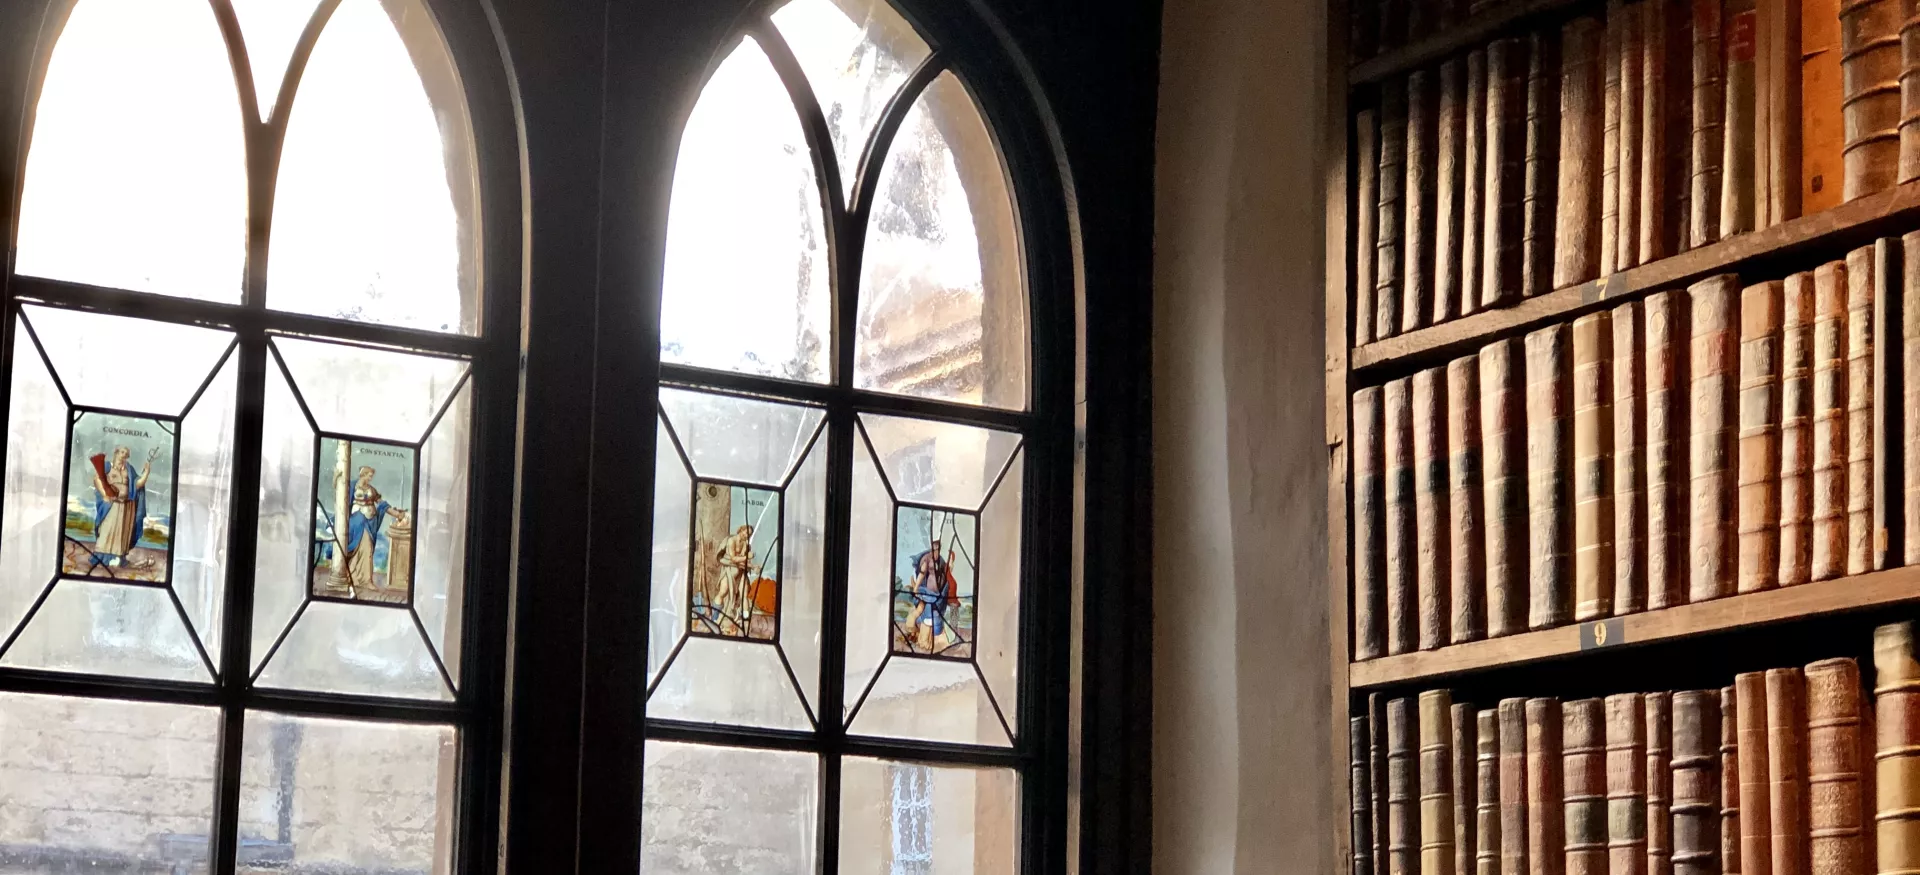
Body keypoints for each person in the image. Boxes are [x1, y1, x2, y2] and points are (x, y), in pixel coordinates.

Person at [90, 445, 157, 568]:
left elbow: (137, 485)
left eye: (126, 454)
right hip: (111, 505)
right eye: (122, 452)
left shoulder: (129, 469)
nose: (124, 456)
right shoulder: (107, 466)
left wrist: (146, 472)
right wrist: (105, 494)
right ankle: (101, 558)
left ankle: (118, 558)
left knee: (121, 533)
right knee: (107, 530)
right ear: (116, 453)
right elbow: (97, 479)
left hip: (126, 507)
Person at [342, 466, 407, 591]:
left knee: (368, 550)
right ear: (363, 474)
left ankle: (365, 580)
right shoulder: (352, 486)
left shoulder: (372, 489)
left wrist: (396, 514)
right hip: (357, 521)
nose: (371, 478)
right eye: (369, 475)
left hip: (369, 521)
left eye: (371, 476)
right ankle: (353, 577)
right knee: (358, 549)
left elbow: (382, 504)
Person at [904, 537, 960, 652]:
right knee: (924, 616)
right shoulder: (927, 559)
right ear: (932, 547)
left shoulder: (941, 560)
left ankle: (926, 641)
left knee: (933, 619)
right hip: (925, 592)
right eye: (934, 548)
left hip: (936, 595)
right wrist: (915, 588)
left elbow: (946, 573)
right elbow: (922, 574)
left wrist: (951, 563)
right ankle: (921, 640)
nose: (936, 551)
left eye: (938, 549)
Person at [714, 524, 756, 635]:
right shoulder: (731, 540)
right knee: (723, 592)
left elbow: (744, 562)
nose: (747, 535)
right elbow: (733, 558)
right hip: (729, 571)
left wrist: (752, 566)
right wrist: (747, 557)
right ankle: (715, 615)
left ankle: (746, 619)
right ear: (740, 530)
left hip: (741, 573)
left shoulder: (746, 545)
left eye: (749, 534)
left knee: (744, 594)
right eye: (745, 532)